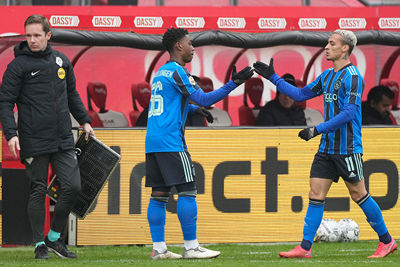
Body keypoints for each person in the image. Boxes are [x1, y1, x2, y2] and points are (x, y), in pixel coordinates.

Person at [253, 29, 397, 258]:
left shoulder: (352, 77)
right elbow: (300, 95)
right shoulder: (327, 76)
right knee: (315, 193)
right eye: (327, 43)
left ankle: (387, 241)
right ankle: (305, 247)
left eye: (331, 43)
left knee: (359, 194)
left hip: (347, 147)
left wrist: (317, 129)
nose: (326, 47)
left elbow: (349, 113)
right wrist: (273, 77)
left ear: (345, 49)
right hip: (327, 148)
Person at [145, 27, 253, 260]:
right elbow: (203, 97)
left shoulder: (161, 73)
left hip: (153, 141)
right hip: (172, 141)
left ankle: (159, 249)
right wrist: (234, 82)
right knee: (188, 190)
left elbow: (174, 101)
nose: (193, 48)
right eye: (190, 43)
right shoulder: (178, 72)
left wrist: (196, 110)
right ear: (178, 46)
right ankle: (191, 247)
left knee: (159, 195)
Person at [0, 15, 94, 260]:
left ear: (48, 35)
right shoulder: (17, 66)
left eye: (37, 35)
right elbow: (5, 102)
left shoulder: (61, 60)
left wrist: (84, 121)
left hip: (62, 138)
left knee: (73, 187)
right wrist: (11, 133)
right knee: (38, 190)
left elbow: (72, 93)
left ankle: (54, 239)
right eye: (28, 35)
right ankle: (39, 244)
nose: (32, 40)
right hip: (33, 139)